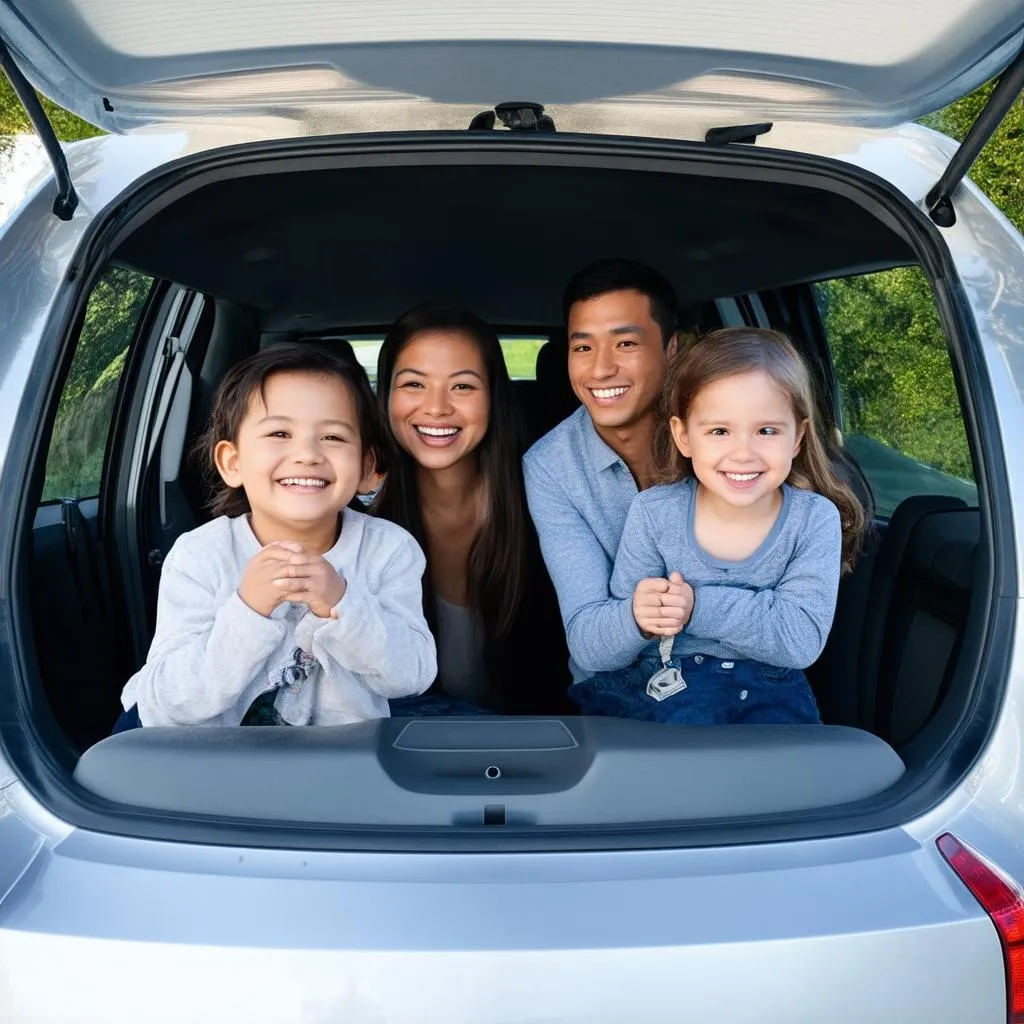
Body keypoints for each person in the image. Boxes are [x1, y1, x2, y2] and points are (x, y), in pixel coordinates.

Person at [117, 344, 436, 728]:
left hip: (346, 764)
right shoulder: (201, 555)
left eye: (333, 437)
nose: (306, 454)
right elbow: (170, 700)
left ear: (369, 469)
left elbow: (413, 675)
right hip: (219, 764)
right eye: (280, 433)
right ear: (232, 463)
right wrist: (248, 609)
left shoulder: (389, 550)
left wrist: (342, 604)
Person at [568, 328, 865, 724]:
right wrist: (637, 618)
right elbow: (607, 647)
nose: (743, 453)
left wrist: (695, 607)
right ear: (683, 436)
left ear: (798, 438)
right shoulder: (655, 513)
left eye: (767, 431)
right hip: (666, 686)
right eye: (719, 431)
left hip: (770, 698)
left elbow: (799, 639)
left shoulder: (813, 519)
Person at [372, 302, 572, 715]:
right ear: (386, 395)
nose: (437, 407)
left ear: (494, 396)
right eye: (413, 384)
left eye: (462, 386)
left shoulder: (549, 508)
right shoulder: (359, 523)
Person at [523, 258, 680, 681]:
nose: (600, 368)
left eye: (625, 344)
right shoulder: (549, 466)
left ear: (671, 349)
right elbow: (589, 642)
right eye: (583, 347)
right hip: (615, 693)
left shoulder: (724, 434)